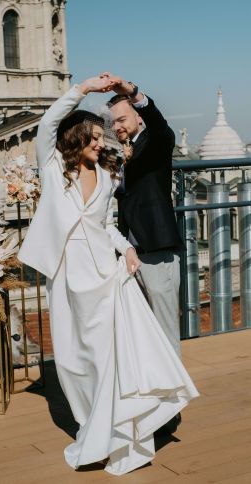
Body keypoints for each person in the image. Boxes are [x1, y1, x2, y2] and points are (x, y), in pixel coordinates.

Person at [18, 76, 198, 476]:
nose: (102, 142)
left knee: (108, 358)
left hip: (105, 276)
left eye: (104, 135)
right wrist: (81, 89)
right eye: (95, 136)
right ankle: (90, 425)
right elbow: (47, 124)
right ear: (77, 137)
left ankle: (114, 433)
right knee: (71, 360)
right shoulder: (52, 169)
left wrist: (127, 248)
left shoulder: (105, 176)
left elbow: (107, 226)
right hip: (66, 276)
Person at [107, 74, 184, 360]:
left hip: (156, 250)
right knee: (143, 328)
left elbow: (162, 127)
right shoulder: (123, 153)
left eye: (122, 119)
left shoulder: (156, 141)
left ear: (138, 118)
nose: (117, 126)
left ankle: (174, 403)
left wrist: (134, 93)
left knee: (164, 329)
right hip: (131, 253)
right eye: (113, 122)